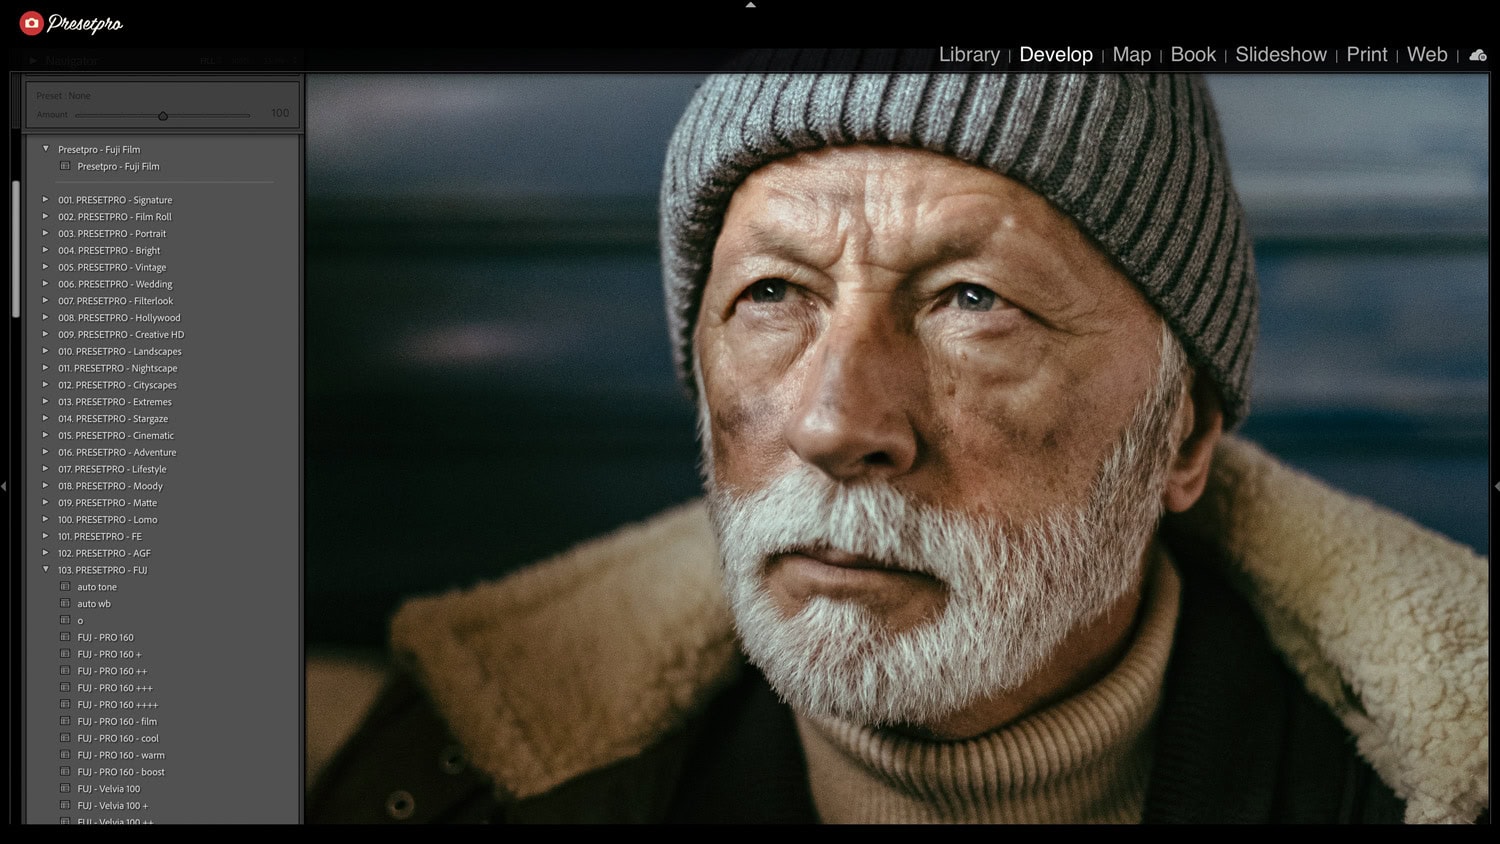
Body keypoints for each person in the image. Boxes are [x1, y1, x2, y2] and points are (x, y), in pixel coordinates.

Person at [308, 73, 1488, 824]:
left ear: (1179, 436)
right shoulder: (458, 778)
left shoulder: (1402, 789)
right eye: (773, 292)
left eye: (975, 302)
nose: (835, 424)